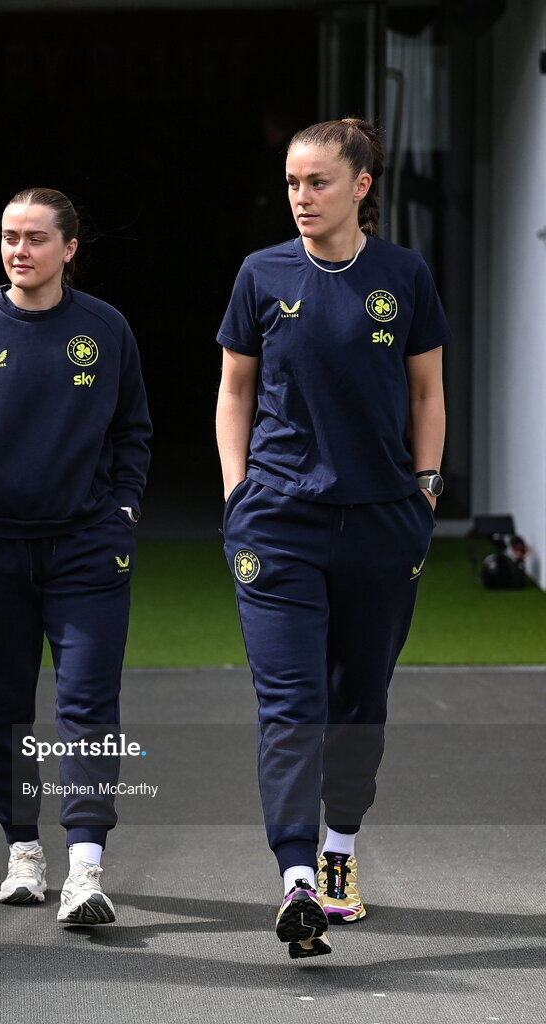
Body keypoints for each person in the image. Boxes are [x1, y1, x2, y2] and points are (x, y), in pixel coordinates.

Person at [215, 119, 448, 959]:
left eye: (317, 182)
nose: (301, 198)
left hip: (384, 519)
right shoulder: (262, 273)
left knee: (359, 699)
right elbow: (234, 388)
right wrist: (239, 490)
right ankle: (296, 876)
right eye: (290, 183)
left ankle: (340, 850)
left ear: (360, 186)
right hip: (278, 522)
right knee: (290, 702)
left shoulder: (404, 275)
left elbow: (428, 393)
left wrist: (425, 488)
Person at [0, 187, 151, 925]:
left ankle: (86, 866)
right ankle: (23, 847)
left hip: (86, 548)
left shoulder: (105, 329)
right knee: (1, 710)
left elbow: (132, 433)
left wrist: (120, 512)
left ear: (70, 249)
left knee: (88, 705)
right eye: (9, 237)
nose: (19, 250)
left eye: (35, 238)